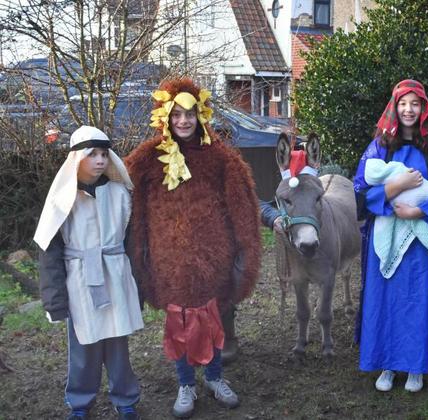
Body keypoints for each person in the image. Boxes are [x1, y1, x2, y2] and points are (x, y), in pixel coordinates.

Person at [125, 78, 261, 418]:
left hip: (213, 260)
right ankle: (186, 383)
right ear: (166, 118)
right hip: (168, 261)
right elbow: (124, 197)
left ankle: (215, 377)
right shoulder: (146, 159)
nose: (183, 121)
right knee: (179, 325)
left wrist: (244, 253)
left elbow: (242, 208)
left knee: (212, 320)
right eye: (177, 115)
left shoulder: (220, 158)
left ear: (200, 115)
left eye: (189, 114)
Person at [353, 79, 428, 393]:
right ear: (394, 108)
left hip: (418, 239)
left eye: (415, 103)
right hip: (384, 235)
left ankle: (415, 366)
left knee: (415, 299)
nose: (409, 109)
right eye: (403, 104)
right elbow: (360, 188)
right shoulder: (380, 146)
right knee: (383, 298)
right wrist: (393, 189)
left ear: (424, 108)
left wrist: (418, 212)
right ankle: (386, 362)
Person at [34, 126, 144, 420]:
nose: (99, 160)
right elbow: (50, 252)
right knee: (84, 344)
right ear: (77, 158)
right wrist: (54, 299)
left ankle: (125, 398)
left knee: (118, 343)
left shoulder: (121, 194)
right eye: (92, 154)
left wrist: (140, 286)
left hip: (115, 276)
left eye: (104, 154)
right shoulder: (63, 199)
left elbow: (134, 244)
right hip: (80, 280)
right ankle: (80, 402)